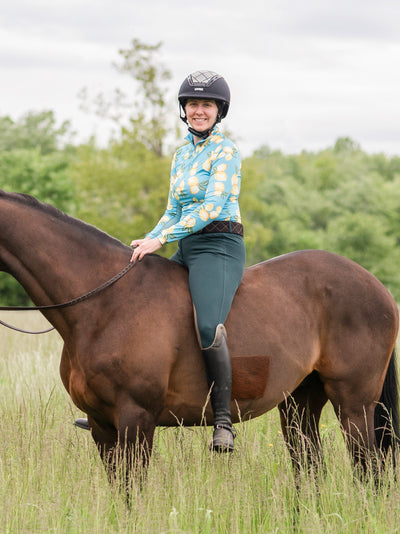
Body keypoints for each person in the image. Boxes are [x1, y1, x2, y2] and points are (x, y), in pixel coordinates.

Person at [75, 70, 245, 453]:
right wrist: (151, 237)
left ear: (219, 111)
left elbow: (212, 206)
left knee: (206, 325)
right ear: (184, 110)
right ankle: (111, 401)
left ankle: (222, 421)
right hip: (186, 242)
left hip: (219, 245)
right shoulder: (182, 153)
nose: (199, 111)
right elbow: (174, 209)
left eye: (207, 105)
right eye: (193, 104)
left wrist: (162, 240)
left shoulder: (226, 152)